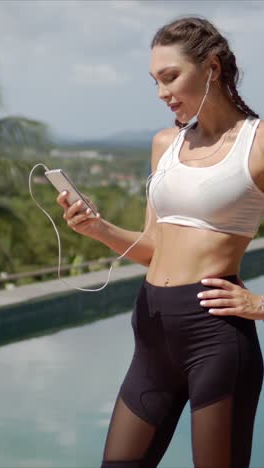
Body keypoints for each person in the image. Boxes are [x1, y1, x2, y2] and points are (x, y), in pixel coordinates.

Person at [56, 16, 264, 468]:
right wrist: (98, 228)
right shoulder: (165, 143)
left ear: (211, 67)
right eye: (155, 81)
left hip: (215, 338)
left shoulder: (258, 143)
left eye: (170, 77)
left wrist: (262, 305)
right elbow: (154, 245)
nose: (161, 93)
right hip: (151, 335)